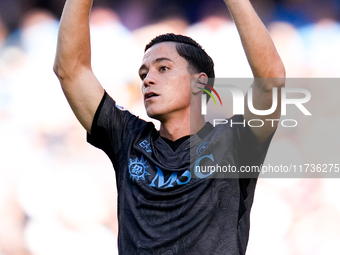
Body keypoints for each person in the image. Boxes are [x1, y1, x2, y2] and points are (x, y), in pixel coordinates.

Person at [53, 0, 285, 254]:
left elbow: (270, 79)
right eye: (144, 74)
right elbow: (70, 71)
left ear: (200, 84)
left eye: (163, 68)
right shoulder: (128, 138)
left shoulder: (236, 140)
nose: (148, 79)